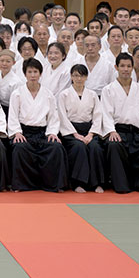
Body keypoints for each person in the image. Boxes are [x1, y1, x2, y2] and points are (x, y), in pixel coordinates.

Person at [96, 53, 139, 193]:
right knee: (114, 145)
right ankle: (122, 186)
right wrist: (111, 131)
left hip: (136, 131)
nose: (126, 69)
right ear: (116, 67)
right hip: (117, 130)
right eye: (122, 66)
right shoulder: (108, 90)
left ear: (132, 68)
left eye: (129, 66)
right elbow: (106, 113)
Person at [7, 58, 66, 192]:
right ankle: (21, 185)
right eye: (30, 72)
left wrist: (52, 133)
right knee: (19, 148)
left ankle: (53, 185)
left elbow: (53, 117)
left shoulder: (48, 94)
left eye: (35, 72)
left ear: (40, 74)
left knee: (56, 148)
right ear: (25, 74)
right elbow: (13, 116)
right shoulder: (17, 93)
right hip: (24, 132)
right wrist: (17, 132)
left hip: (42, 133)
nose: (33, 75)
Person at [55, 64, 104, 193]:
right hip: (71, 131)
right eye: (76, 75)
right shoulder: (64, 95)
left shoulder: (92, 95)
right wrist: (75, 134)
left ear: (86, 77)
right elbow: (62, 116)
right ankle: (78, 183)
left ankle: (96, 183)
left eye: (82, 75)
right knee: (79, 147)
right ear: (71, 77)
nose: (79, 78)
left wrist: (91, 134)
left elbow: (98, 116)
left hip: (89, 130)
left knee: (95, 147)